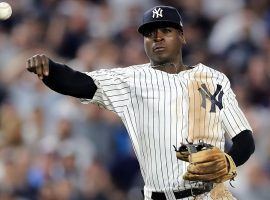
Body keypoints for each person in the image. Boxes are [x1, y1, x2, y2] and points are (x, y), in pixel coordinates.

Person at [27, 5, 255, 200]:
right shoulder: (130, 80)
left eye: (166, 30)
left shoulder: (213, 78)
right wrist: (50, 70)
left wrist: (226, 162)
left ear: (182, 36)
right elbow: (79, 83)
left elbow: (245, 140)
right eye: (150, 33)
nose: (157, 38)